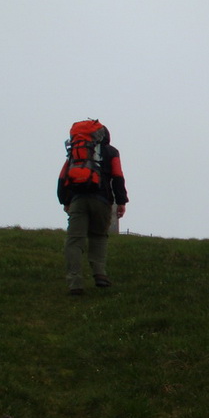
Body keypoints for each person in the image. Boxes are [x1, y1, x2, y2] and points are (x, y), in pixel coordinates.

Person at [57, 123, 128, 295]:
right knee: (98, 236)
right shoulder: (111, 152)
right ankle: (99, 274)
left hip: (77, 200)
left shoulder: (75, 151)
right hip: (102, 200)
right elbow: (117, 176)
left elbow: (62, 177)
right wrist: (121, 201)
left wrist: (65, 201)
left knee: (74, 241)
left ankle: (75, 283)